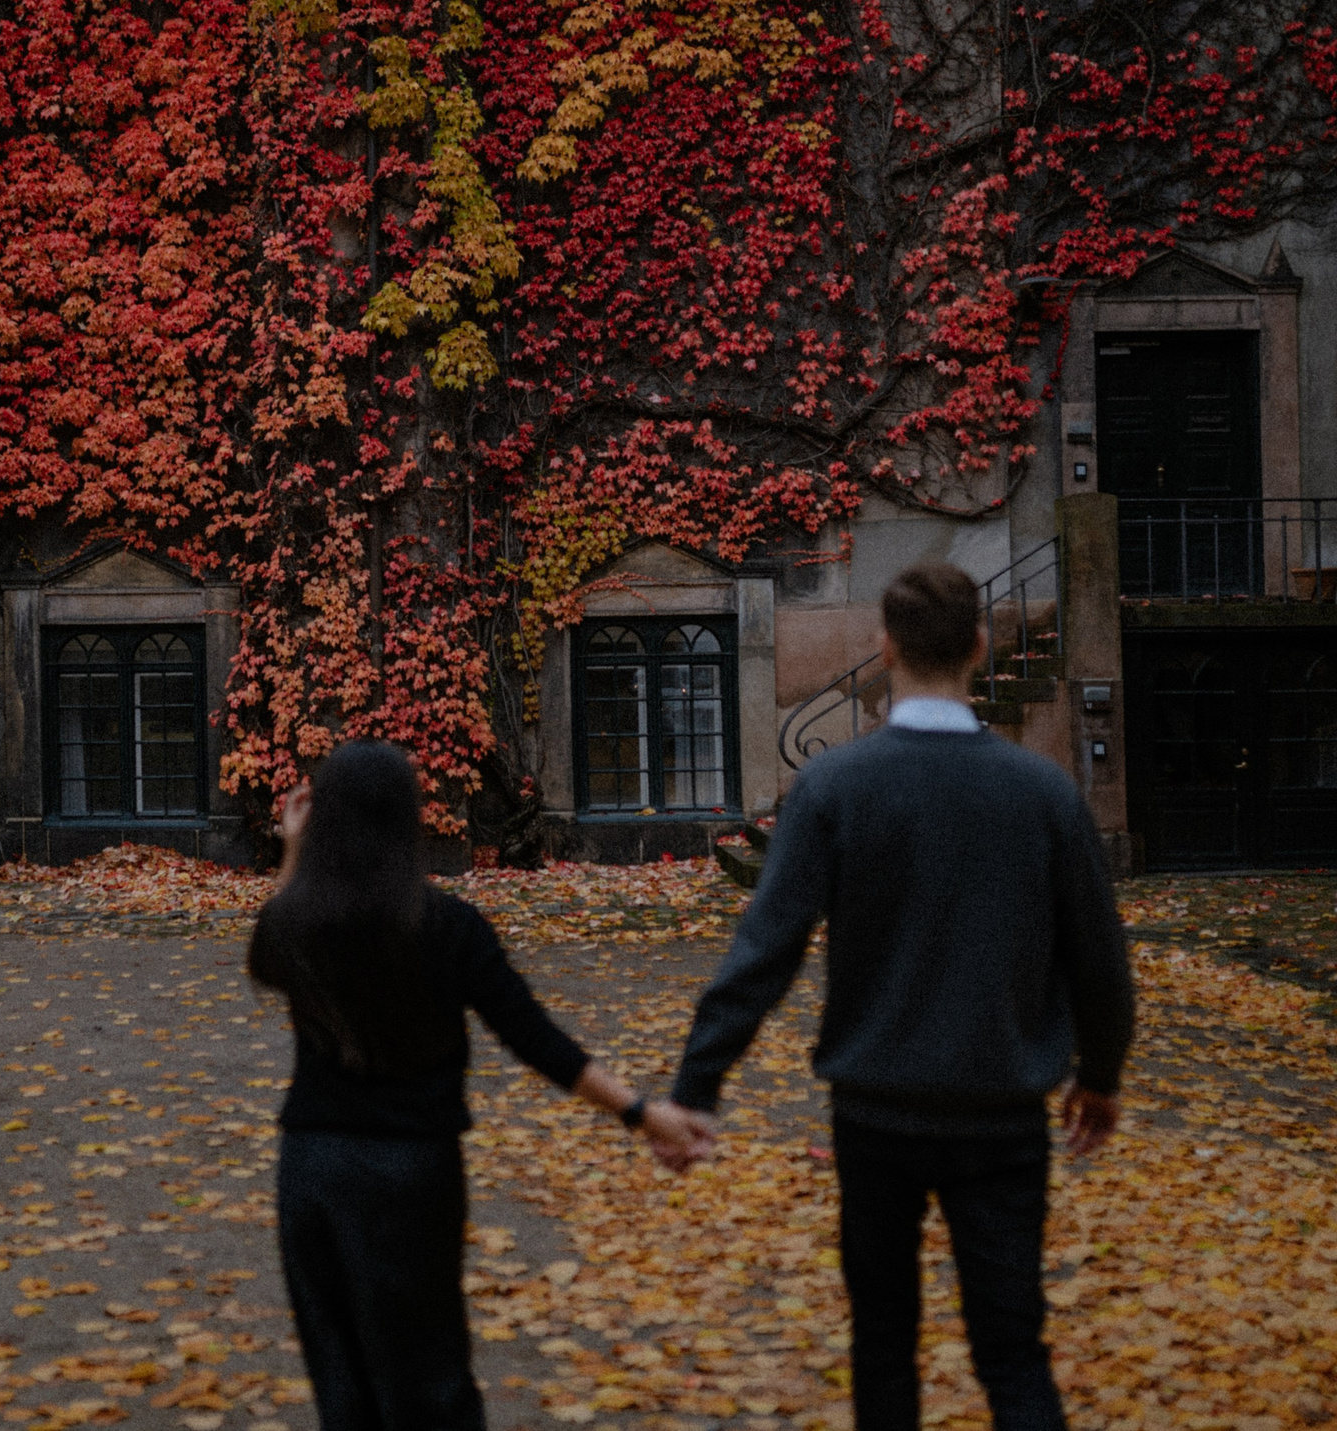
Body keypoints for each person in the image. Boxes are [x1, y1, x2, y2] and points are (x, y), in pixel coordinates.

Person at [665, 560, 1136, 1431]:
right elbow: (1100, 957)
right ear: (980, 645)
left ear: (883, 648)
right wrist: (1100, 1073)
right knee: (1013, 1351)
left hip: (876, 1111)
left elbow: (765, 949)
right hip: (1000, 1112)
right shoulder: (1043, 793)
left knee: (883, 1344)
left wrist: (699, 1084)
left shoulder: (836, 788)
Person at [249, 739, 713, 1431]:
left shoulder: (303, 923)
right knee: (432, 1375)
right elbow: (537, 1041)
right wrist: (641, 1113)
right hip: (414, 1168)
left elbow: (268, 952)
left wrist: (293, 848)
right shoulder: (446, 925)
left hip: (315, 1167)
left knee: (339, 1373)